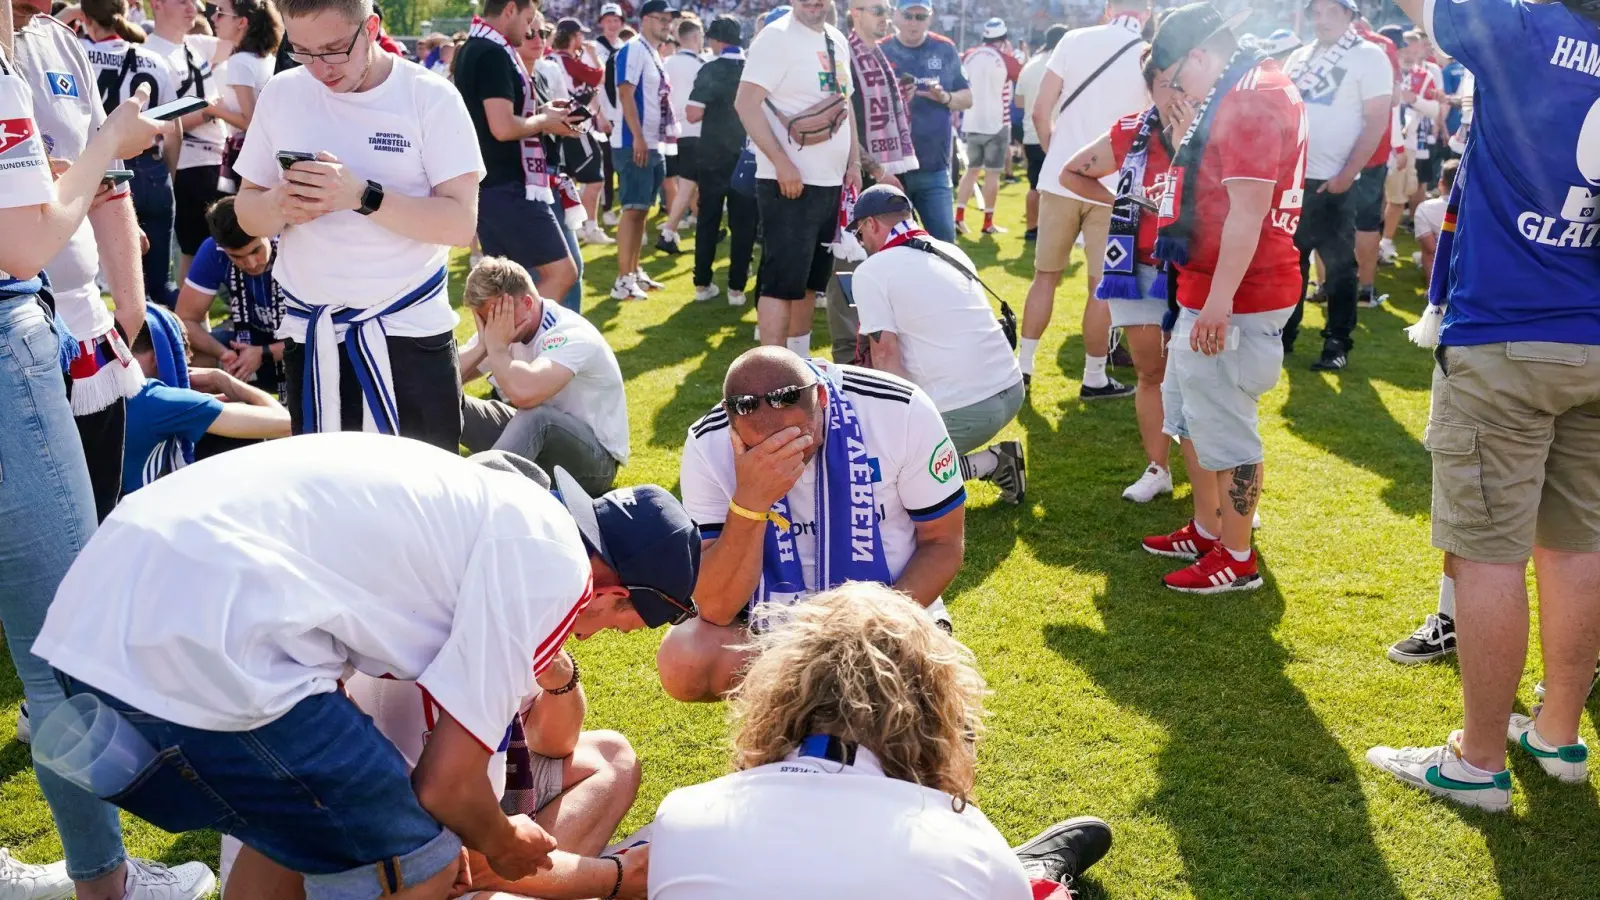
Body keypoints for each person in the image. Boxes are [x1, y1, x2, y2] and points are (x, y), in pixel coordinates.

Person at [31, 432, 700, 900]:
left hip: (96, 612)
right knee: (418, 858)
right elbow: (446, 789)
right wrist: (502, 839)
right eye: (622, 622)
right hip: (211, 641)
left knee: (296, 823)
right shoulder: (555, 565)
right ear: (615, 592)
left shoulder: (488, 507)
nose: (603, 631)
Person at [0, 7, 218, 897]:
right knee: (63, 644)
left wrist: (125, 311)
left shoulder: (41, 45)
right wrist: (105, 149)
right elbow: (25, 241)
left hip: (58, 336)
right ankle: (106, 884)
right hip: (13, 337)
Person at [1366, 0, 1600, 810]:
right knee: (1576, 546)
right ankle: (1558, 732)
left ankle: (1476, 761)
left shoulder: (1525, 28)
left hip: (1506, 332)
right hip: (1594, 334)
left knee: (1489, 552)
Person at [649, 582, 1114, 899]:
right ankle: (1039, 876)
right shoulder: (969, 844)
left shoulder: (680, 816)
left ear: (775, 690)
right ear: (933, 712)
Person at [232, 0, 483, 451]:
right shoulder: (283, 92)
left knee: (418, 503)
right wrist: (280, 203)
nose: (319, 68)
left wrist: (362, 197)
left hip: (407, 334)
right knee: (326, 500)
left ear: (371, 27)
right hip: (310, 335)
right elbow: (246, 211)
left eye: (332, 50)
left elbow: (460, 224)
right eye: (302, 51)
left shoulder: (430, 97)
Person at [660, 346, 965, 702]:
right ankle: (790, 718)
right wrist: (751, 501)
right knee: (684, 660)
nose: (781, 455)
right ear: (732, 423)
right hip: (773, 628)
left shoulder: (899, 409)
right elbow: (715, 605)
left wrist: (864, 633)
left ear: (821, 398)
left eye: (795, 439)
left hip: (889, 614)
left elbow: (943, 543)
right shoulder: (707, 443)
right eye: (762, 448)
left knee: (908, 732)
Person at [1138, 2, 1306, 595]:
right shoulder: (1242, 84)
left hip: (1237, 292)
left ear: (1201, 55)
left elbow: (1247, 211)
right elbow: (1214, 192)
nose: (1178, 90)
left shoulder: (1252, 93)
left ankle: (1237, 556)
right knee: (1193, 415)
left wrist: (1218, 302)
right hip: (1213, 284)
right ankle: (1210, 530)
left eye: (1178, 77)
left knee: (1227, 426)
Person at [15, 1, 151, 520]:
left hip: (87, 337)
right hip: (16, 343)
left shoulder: (62, 43)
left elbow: (110, 182)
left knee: (95, 523)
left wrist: (131, 310)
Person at [848, 184, 1026, 504]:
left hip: (965, 407)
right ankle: (991, 461)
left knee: (877, 481)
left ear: (872, 224)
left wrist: (894, 432)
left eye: (860, 234)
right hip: (1010, 388)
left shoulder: (872, 271)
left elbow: (885, 356)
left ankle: (992, 462)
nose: (862, 243)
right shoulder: (950, 250)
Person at [1058, 47, 1177, 504]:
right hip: (1139, 265)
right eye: (1164, 83)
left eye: (1181, 82)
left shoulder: (1213, 128)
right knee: (1151, 371)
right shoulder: (1134, 129)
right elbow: (1072, 172)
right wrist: (1126, 204)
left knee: (1200, 377)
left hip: (1196, 268)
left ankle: (1218, 481)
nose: (1174, 93)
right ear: (1149, 87)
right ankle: (1159, 467)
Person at [1020, 0, 1148, 400]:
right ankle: (1093, 376)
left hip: (1061, 178)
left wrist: (1056, 151)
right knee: (1101, 286)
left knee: (1045, 277)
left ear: (1109, 8)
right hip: (1113, 185)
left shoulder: (1074, 39)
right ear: (1146, 12)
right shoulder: (1149, 54)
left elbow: (1041, 111)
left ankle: (1022, 369)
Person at [736, 0, 861, 355]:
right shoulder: (776, 37)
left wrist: (853, 163)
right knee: (780, 283)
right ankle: (772, 368)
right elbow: (745, 103)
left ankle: (800, 361)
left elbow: (844, 103)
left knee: (810, 283)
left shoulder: (837, 37)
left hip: (831, 181)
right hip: (788, 182)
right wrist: (781, 163)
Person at [1279, 0, 1392, 371]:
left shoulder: (1369, 56)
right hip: (1294, 180)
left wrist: (1347, 174)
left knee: (1341, 267)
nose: (1321, 18)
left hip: (1335, 182)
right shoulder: (1299, 56)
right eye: (1317, 10)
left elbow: (1376, 119)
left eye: (1332, 10)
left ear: (1350, 16)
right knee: (1288, 264)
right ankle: (1284, 334)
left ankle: (1337, 342)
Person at [458, 257, 629, 496]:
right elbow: (444, 378)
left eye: (498, 316)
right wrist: (482, 346)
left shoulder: (569, 334)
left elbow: (525, 394)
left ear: (527, 303)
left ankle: (475, 497)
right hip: (540, 442)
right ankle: (430, 482)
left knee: (537, 416)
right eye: (485, 320)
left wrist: (495, 349)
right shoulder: (502, 329)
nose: (492, 326)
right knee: (449, 400)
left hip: (595, 463)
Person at [455, 0, 582, 311]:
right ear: (510, 9)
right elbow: (502, 127)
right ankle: (505, 341)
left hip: (494, 185)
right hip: (508, 186)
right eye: (528, 20)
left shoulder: (477, 47)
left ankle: (501, 350)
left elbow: (496, 120)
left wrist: (541, 113)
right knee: (563, 273)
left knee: (512, 286)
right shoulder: (492, 52)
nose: (529, 30)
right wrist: (546, 121)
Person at [75, 0, 183, 309]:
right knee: (160, 284)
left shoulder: (77, 55)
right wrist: (168, 176)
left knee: (96, 287)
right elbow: (173, 130)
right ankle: (174, 344)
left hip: (104, 173)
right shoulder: (154, 59)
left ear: (84, 17)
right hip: (153, 170)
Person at [122, 303, 291, 493]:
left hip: (97, 513)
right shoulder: (158, 400)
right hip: (134, 514)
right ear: (161, 359)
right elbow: (286, 423)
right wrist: (221, 379)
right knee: (233, 437)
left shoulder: (95, 384)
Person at [145, 0, 228, 287]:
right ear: (156, 4)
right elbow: (153, 122)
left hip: (217, 159)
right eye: (182, 1)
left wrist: (229, 10)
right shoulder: (149, 53)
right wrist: (208, 110)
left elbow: (251, 35)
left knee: (222, 247)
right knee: (195, 252)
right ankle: (188, 323)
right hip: (187, 164)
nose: (193, 6)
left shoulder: (195, 43)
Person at [877, 0, 970, 243]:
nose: (913, 23)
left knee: (945, 246)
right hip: (892, 168)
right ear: (895, 16)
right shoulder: (880, 50)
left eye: (920, 17)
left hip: (933, 166)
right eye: (908, 15)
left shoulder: (944, 48)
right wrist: (895, 98)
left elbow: (967, 98)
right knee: (893, 247)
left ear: (930, 18)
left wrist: (945, 97)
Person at [605, 0, 677, 300]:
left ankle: (632, 271)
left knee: (642, 209)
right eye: (661, 19)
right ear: (646, 19)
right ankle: (622, 279)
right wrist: (637, 137)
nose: (667, 25)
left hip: (649, 140)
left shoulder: (650, 51)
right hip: (635, 141)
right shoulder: (634, 49)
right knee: (633, 210)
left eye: (669, 21)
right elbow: (625, 92)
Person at [174, 195, 283, 391]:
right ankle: (218, 417)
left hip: (298, 347)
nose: (250, 263)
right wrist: (224, 354)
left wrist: (265, 353)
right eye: (237, 257)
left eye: (256, 250)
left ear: (267, 232)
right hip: (245, 342)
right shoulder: (212, 251)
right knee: (182, 355)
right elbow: (184, 321)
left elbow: (325, 332)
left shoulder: (293, 243)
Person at [686, 13, 754, 305]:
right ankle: (737, 288)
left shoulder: (710, 69)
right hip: (747, 155)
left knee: (708, 219)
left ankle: (702, 283)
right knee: (744, 224)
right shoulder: (754, 68)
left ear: (715, 40)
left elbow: (692, 113)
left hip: (713, 155)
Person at [207, 0, 281, 192]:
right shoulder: (267, 59)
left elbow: (249, 122)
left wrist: (211, 109)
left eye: (221, 12)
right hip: (266, 154)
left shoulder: (239, 61)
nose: (214, 18)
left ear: (242, 22)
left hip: (247, 156)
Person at [954, 17, 1013, 236]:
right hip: (997, 124)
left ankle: (959, 217)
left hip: (971, 121)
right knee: (992, 175)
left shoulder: (969, 55)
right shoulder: (1006, 59)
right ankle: (988, 222)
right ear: (1003, 38)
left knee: (971, 172)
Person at [657, 12, 702, 254]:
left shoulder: (667, 63)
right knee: (688, 185)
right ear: (696, 37)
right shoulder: (701, 65)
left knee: (685, 184)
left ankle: (675, 229)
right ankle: (669, 230)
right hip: (695, 131)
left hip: (672, 132)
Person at [1016, 23, 1064, 242]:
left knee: (1034, 185)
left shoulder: (1030, 65)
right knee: (1059, 187)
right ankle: (1054, 231)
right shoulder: (1063, 63)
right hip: (1058, 132)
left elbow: (1018, 102)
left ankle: (1031, 228)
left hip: (1031, 133)